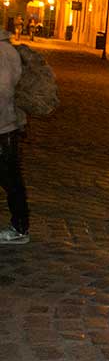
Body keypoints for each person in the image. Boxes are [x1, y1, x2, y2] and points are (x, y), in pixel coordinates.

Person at [0, 27, 29, 245]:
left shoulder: (4, 52)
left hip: (4, 127)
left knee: (11, 179)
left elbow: (3, 91)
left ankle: (20, 227)